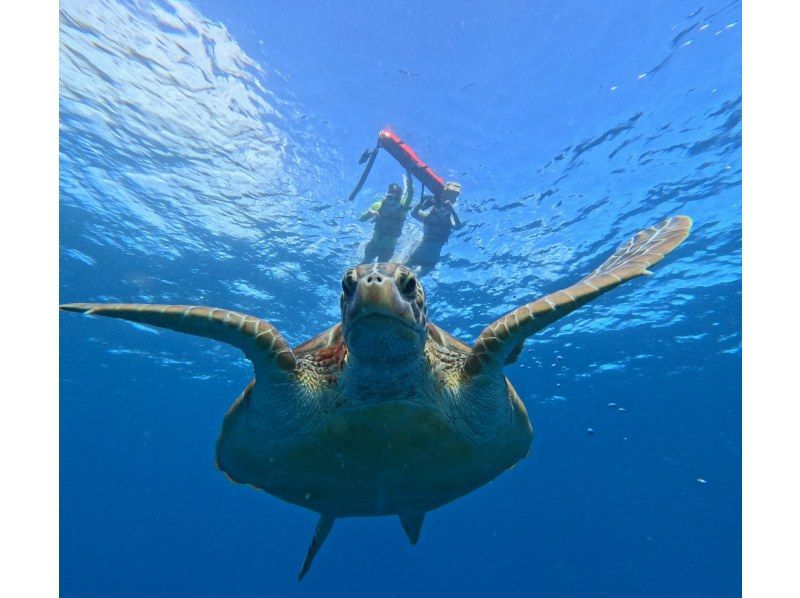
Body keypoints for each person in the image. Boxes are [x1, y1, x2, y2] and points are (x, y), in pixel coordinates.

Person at [406, 181, 464, 276]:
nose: (442, 210)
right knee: (397, 274)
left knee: (412, 282)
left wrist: (452, 210)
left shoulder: (448, 222)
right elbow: (414, 214)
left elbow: (458, 227)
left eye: (446, 208)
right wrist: (421, 202)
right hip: (417, 256)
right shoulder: (427, 217)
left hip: (431, 261)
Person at [359, 170, 414, 263]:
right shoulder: (379, 205)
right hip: (374, 244)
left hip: (388, 249)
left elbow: (411, 192)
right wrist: (370, 212)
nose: (393, 200)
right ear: (387, 195)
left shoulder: (403, 207)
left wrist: (409, 173)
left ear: (400, 198)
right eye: (390, 196)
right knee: (365, 262)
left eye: (396, 197)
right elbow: (361, 219)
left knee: (381, 270)